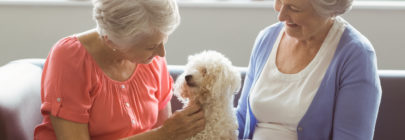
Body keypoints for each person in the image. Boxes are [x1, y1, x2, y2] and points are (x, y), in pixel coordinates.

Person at [34, 0, 205, 140]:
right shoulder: (70, 59)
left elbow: (164, 127)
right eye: (151, 47)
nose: (161, 53)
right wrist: (163, 135)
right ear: (111, 41)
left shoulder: (152, 58)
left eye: (163, 41)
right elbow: (164, 133)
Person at [236, 0, 381, 139]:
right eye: (279, 0)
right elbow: (241, 120)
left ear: (326, 10)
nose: (281, 16)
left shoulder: (356, 55)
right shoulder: (266, 38)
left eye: (294, 8)